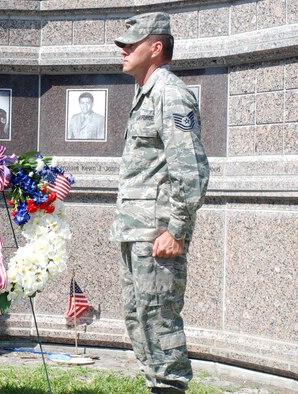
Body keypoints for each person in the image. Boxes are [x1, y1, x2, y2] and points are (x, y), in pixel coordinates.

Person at [110, 12, 210, 394]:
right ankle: (156, 386)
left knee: (160, 320)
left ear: (155, 48)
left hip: (156, 232)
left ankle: (169, 388)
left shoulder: (170, 93)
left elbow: (191, 169)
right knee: (139, 319)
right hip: (136, 229)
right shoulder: (146, 92)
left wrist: (176, 229)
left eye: (130, 45)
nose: (123, 51)